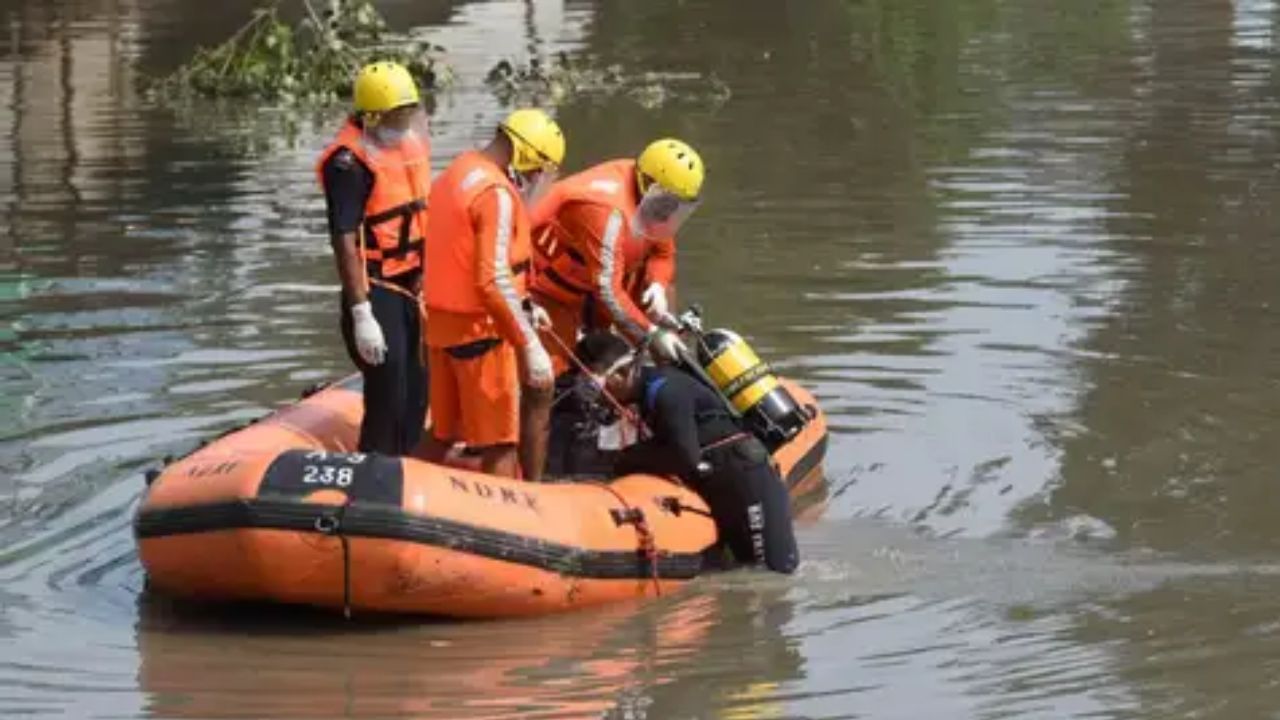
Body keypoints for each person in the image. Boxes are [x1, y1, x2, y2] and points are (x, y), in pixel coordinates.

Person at [420, 109, 565, 481]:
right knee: (501, 442)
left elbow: (461, 257)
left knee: (442, 434)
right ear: (528, 157)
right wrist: (528, 343)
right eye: (537, 172)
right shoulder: (495, 194)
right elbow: (493, 277)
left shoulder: (457, 172)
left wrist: (525, 305)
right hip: (482, 334)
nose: (534, 181)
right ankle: (512, 522)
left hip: (441, 329)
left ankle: (397, 488)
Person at [578, 331, 799, 574]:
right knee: (738, 570)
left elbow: (685, 458)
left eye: (596, 385)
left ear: (621, 374)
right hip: (723, 479)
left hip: (745, 479)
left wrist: (627, 458)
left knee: (772, 572)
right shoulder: (648, 395)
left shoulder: (667, 391)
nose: (597, 396)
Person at [316, 61, 432, 455]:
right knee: (389, 392)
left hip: (412, 286)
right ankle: (376, 473)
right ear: (371, 115)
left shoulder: (408, 146)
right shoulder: (347, 164)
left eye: (408, 113)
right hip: (377, 289)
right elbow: (344, 240)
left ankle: (411, 465)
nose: (404, 123)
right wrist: (361, 313)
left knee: (418, 389)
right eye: (396, 115)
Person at [528, 139, 705, 376]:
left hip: (601, 275)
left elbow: (663, 253)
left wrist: (658, 285)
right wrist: (650, 334)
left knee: (633, 340)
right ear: (649, 184)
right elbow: (607, 291)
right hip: (554, 288)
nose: (670, 212)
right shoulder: (605, 213)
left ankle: (651, 371)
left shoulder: (656, 198)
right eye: (669, 204)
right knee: (551, 372)